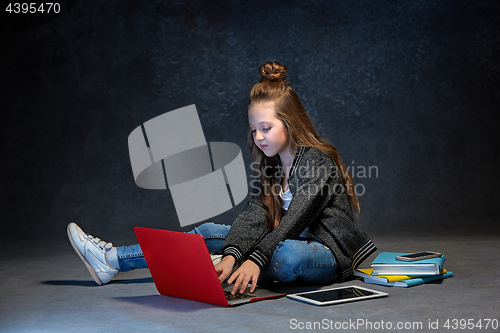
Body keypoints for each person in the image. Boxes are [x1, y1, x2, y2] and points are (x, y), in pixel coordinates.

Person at [67, 61, 376, 295]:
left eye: (266, 128)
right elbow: (256, 216)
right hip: (279, 241)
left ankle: (224, 265)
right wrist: (232, 251)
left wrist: (250, 257)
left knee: (288, 255)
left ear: (290, 123)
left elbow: (294, 220)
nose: (258, 137)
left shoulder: (316, 162)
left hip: (323, 254)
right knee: (210, 230)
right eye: (254, 129)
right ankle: (111, 260)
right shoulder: (272, 167)